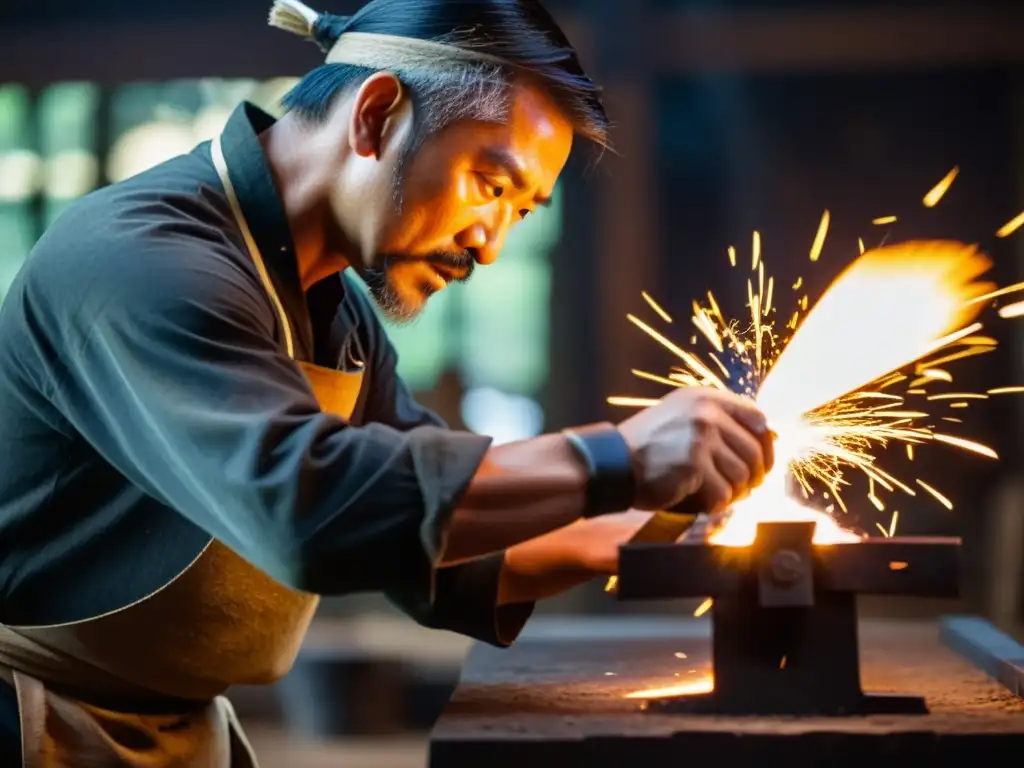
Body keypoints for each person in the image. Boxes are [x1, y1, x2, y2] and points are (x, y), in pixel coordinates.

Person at [0, 0, 774, 764]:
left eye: (521, 211)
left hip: (171, 732)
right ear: (375, 116)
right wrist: (619, 457)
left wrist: (661, 525)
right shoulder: (143, 262)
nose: (491, 246)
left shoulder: (334, 310)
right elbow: (311, 509)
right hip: (30, 724)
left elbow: (437, 543)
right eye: (490, 185)